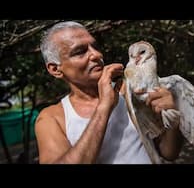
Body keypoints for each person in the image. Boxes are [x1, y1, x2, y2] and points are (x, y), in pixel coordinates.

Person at [35, 21, 183, 164]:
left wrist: (173, 119)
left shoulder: (132, 92)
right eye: (80, 52)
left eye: (95, 46)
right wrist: (104, 107)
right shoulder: (52, 118)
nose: (96, 55)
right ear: (55, 69)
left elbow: (169, 153)